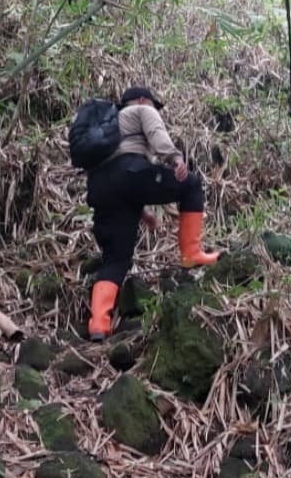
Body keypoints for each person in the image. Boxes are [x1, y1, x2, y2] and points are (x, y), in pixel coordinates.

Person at [84, 86, 220, 341]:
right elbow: (155, 136)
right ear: (143, 100)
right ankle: (191, 253)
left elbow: (117, 177)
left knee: (115, 259)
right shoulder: (142, 109)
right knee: (190, 185)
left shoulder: (108, 127)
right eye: (155, 107)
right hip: (129, 175)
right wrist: (175, 159)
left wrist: (142, 209)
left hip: (100, 188)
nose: (155, 111)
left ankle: (98, 325)